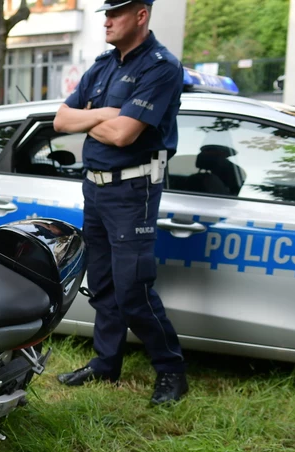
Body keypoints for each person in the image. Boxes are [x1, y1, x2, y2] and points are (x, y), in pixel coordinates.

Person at [52, 0, 188, 406]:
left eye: (117, 13)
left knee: (133, 289)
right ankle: (105, 362)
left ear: (141, 16)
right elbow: (60, 121)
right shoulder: (103, 64)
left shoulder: (161, 66)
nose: (107, 21)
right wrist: (107, 113)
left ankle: (171, 370)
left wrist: (94, 116)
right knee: (104, 283)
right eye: (106, 14)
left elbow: (125, 134)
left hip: (133, 191)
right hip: (94, 188)